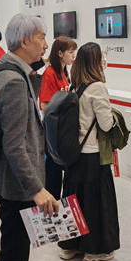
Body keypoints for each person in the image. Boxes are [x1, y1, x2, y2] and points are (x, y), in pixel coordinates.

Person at [0, 13, 58, 261]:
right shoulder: (14, 81)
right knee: (14, 253)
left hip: (5, 177)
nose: (46, 45)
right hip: (16, 184)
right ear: (25, 42)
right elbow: (14, 145)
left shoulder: (6, 69)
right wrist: (36, 189)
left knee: (13, 246)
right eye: (41, 38)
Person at [58, 42, 119, 261]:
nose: (104, 59)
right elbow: (105, 124)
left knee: (73, 200)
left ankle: (69, 247)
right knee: (95, 202)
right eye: (102, 56)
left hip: (74, 154)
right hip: (93, 154)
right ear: (95, 61)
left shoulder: (74, 85)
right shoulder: (98, 87)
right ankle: (95, 251)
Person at [39, 36, 77, 200]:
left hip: (62, 128)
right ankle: (51, 205)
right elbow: (45, 105)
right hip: (53, 130)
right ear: (60, 53)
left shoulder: (64, 72)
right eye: (70, 52)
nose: (73, 56)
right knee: (53, 172)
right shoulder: (50, 73)